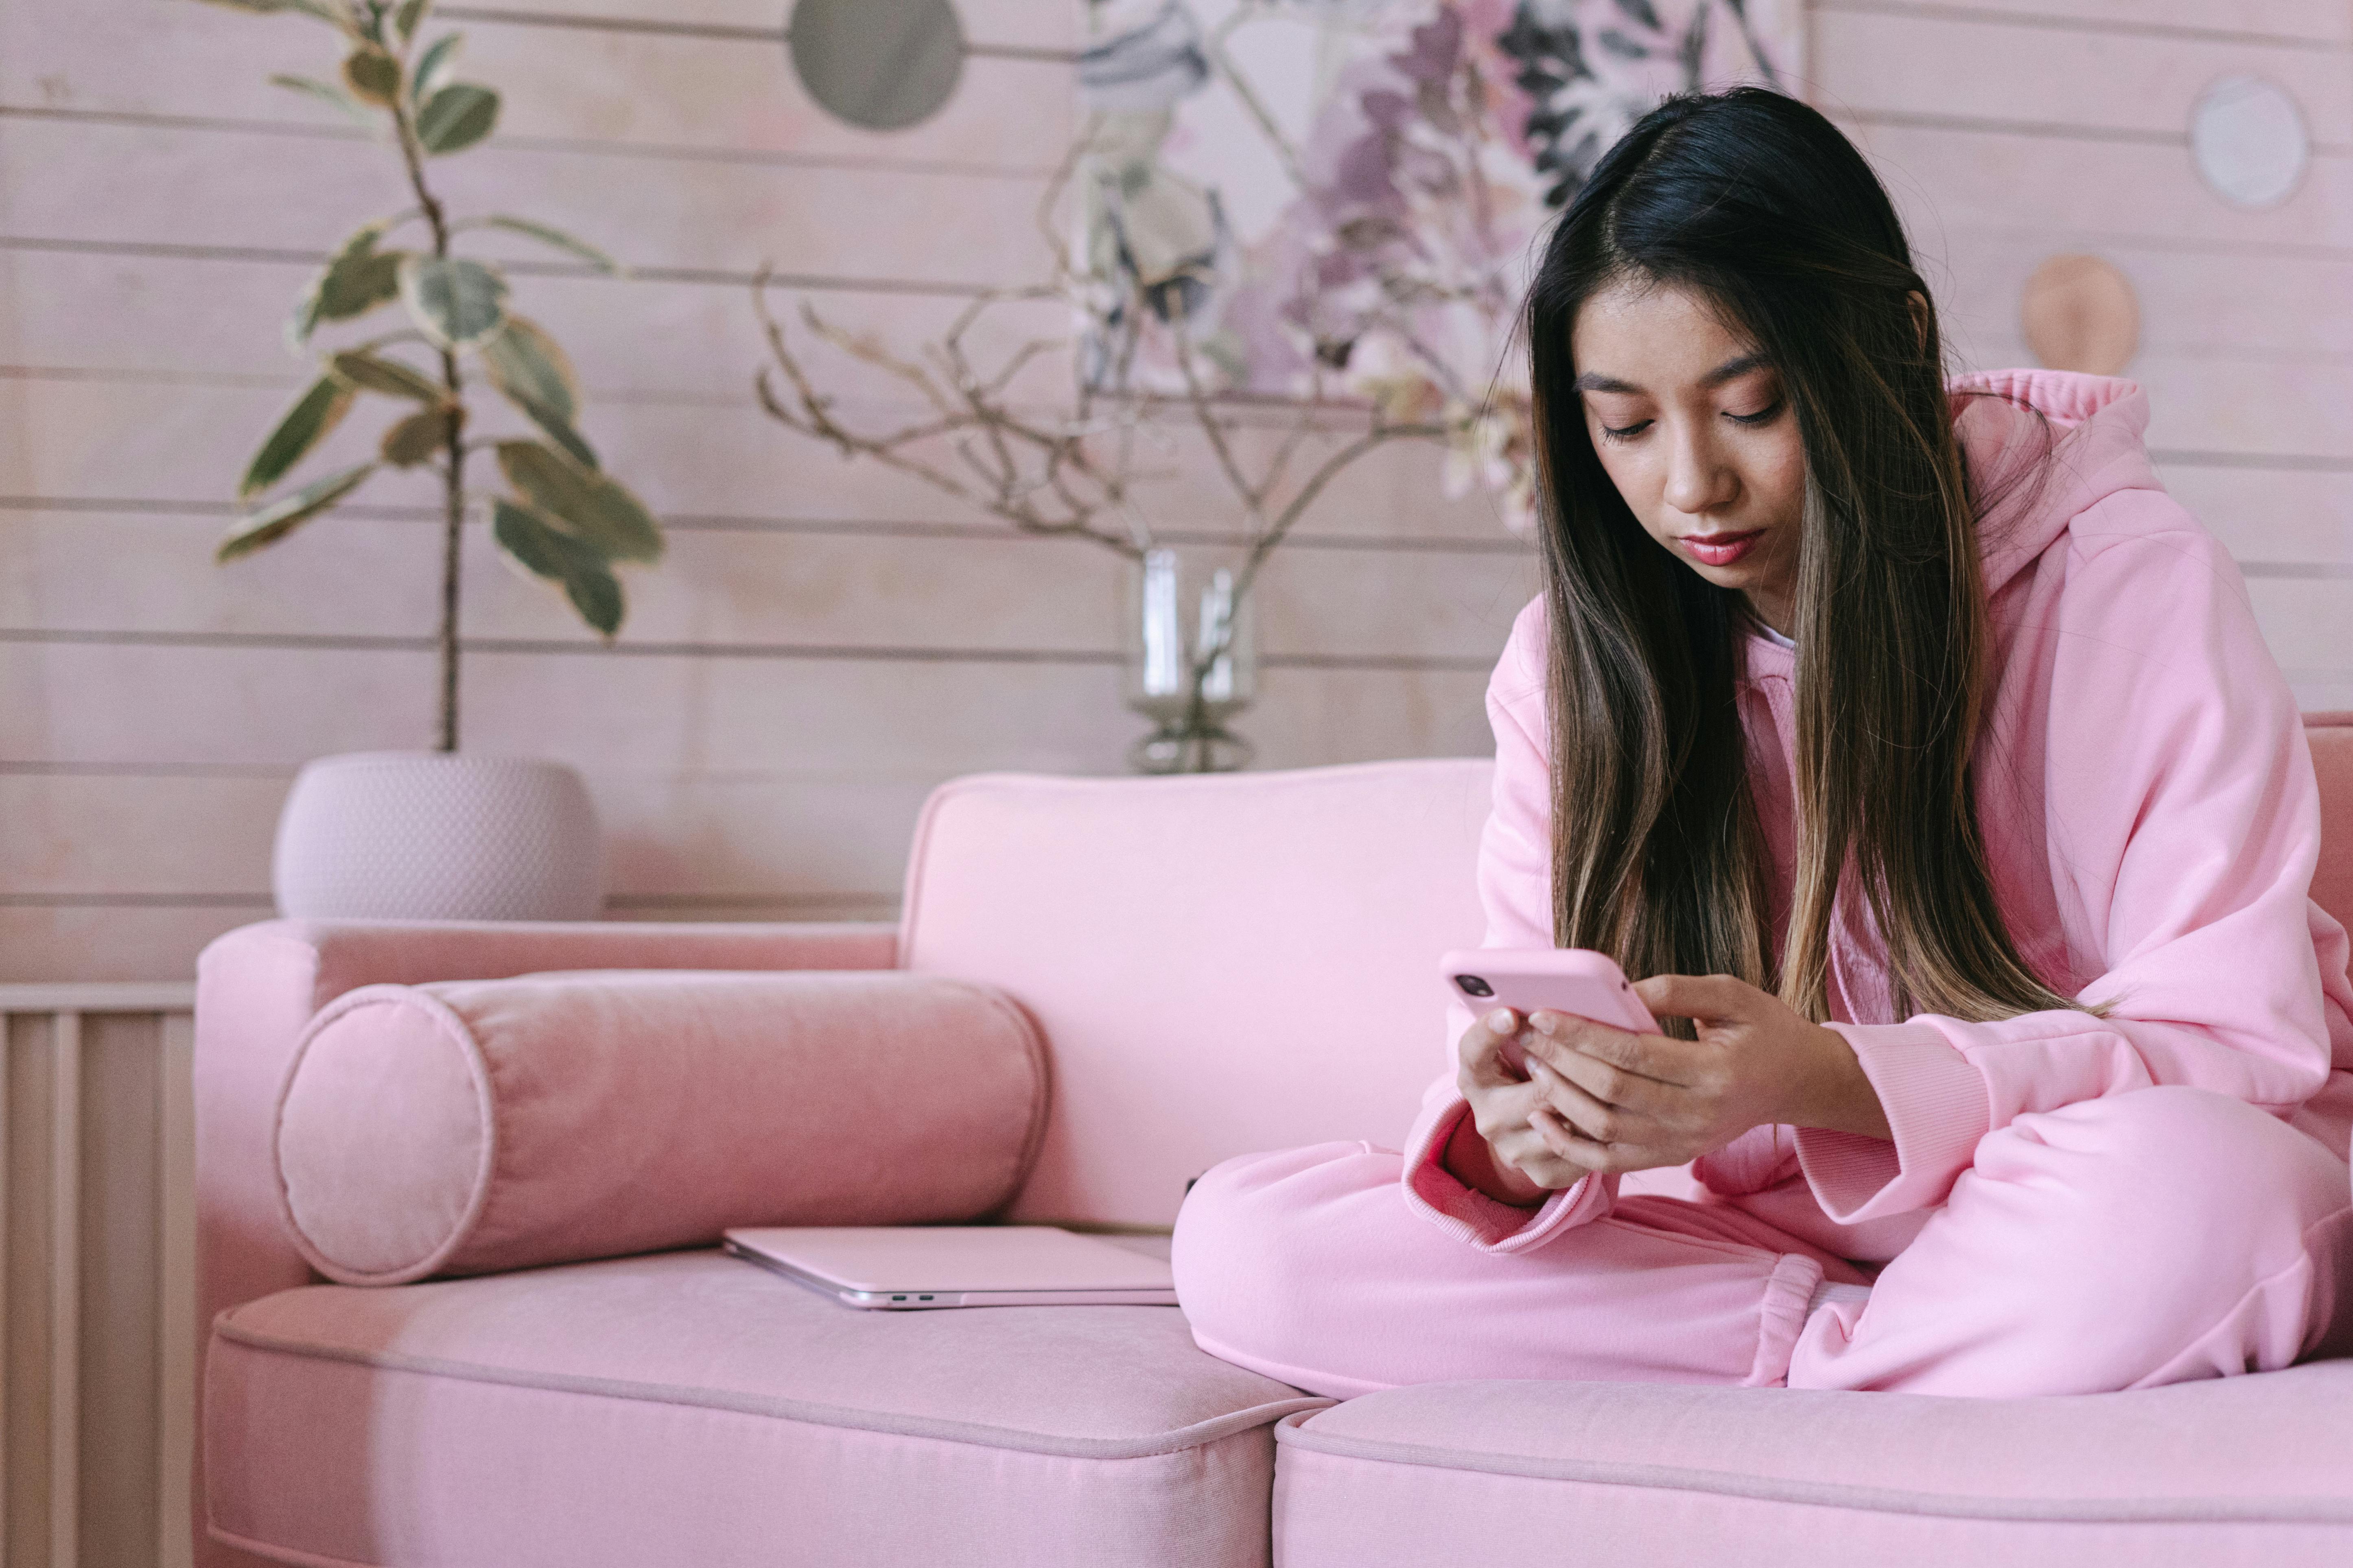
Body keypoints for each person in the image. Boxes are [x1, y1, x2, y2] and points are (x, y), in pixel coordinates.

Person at [1169, 88, 2353, 1398]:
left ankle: (1811, 1376)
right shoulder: (1571, 667)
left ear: (1893, 343)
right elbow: (1548, 1024)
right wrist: (1519, 1139)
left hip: (2062, 1205)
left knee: (2200, 1198)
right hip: (1788, 1254)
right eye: (1624, 425)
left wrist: (1832, 1077)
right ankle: (1869, 1371)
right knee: (1249, 1242)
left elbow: (2236, 1052)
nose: (1690, 487)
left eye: (1752, 407)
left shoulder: (2127, 581)